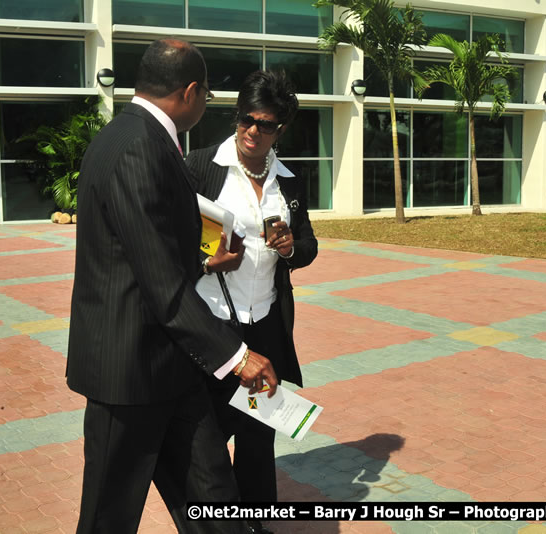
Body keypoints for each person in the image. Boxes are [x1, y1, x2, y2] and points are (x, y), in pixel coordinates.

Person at [66, 39, 278, 534]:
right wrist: (238, 357)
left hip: (174, 367)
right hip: (129, 372)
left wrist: (205, 262)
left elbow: (146, 253)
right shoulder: (138, 147)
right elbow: (159, 283)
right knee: (108, 516)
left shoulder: (138, 137)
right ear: (190, 92)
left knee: (214, 500)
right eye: (205, 95)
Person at [185, 70, 318, 534]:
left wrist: (289, 250)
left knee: (259, 436)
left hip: (265, 329)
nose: (252, 131)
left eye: (265, 124)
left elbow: (308, 246)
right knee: (210, 435)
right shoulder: (201, 167)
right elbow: (165, 244)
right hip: (213, 328)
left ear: (281, 128)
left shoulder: (289, 182)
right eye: (245, 119)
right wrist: (206, 264)